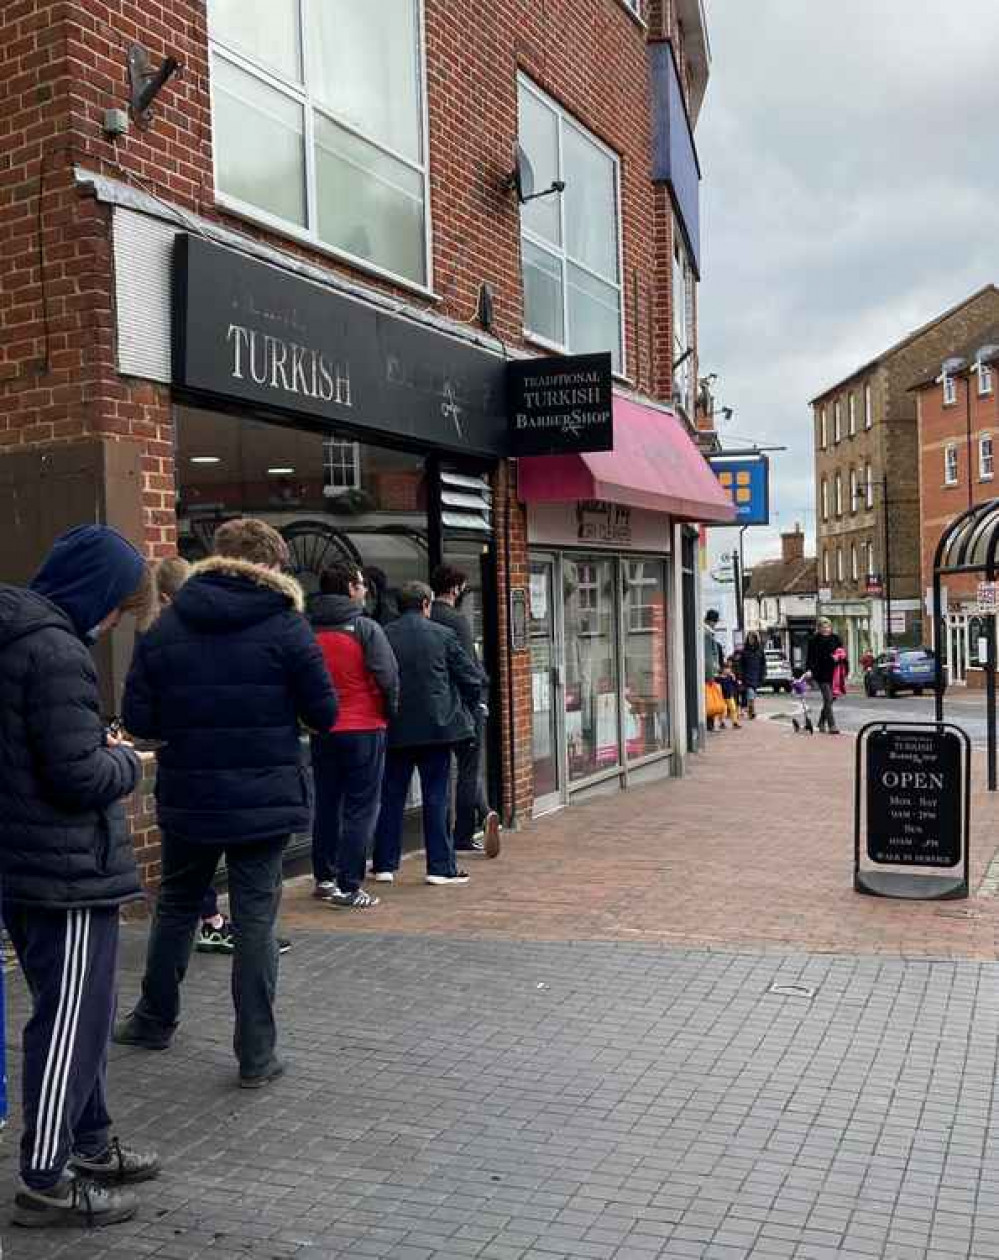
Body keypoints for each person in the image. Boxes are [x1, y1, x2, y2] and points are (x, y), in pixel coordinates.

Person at [115, 519, 338, 1088]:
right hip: (264, 797)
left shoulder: (167, 628)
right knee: (257, 920)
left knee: (176, 907)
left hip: (190, 792)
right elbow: (326, 714)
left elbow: (139, 720)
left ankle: (153, 1019)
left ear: (218, 559)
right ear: (273, 566)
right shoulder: (287, 628)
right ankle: (256, 1055)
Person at [0, 525, 159, 1228]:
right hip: (63, 867)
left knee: (77, 1016)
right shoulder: (58, 651)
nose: (117, 620)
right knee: (70, 1023)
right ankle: (46, 1178)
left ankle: (89, 1142)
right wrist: (127, 762)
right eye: (121, 606)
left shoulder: (15, 634)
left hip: (27, 861)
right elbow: (75, 774)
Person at [146, 557, 292, 956]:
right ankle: (252, 1012)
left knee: (180, 891)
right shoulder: (267, 626)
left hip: (188, 782)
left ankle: (157, 1011)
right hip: (254, 786)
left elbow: (142, 719)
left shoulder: (161, 636)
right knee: (255, 905)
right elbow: (319, 710)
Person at [371, 581, 485, 886]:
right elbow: (470, 678)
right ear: (426, 604)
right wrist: (468, 706)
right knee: (436, 797)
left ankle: (384, 864)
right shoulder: (443, 635)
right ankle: (439, 867)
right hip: (437, 728)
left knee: (392, 796)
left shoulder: (384, 634)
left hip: (395, 728)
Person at [309, 558, 399, 908]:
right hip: (363, 727)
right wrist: (388, 713)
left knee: (327, 804)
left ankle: (324, 878)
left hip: (323, 729)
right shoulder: (365, 628)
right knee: (362, 808)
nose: (364, 591)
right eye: (361, 585)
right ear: (350, 587)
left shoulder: (307, 628)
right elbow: (388, 677)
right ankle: (349, 885)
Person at [430, 564, 500, 858]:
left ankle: (484, 813)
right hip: (463, 708)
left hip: (434, 708)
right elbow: (469, 668)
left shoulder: (426, 616)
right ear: (456, 588)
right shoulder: (457, 621)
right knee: (469, 771)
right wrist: (481, 698)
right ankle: (464, 832)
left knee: (439, 774)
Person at [805, 616, 847, 735]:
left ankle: (821, 721)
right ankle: (832, 725)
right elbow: (810, 657)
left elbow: (842, 654)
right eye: (823, 627)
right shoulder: (814, 640)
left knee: (832, 698)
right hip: (821, 673)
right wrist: (809, 670)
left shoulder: (836, 639)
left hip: (835, 673)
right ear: (819, 628)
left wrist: (840, 660)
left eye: (827, 627)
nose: (826, 629)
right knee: (828, 698)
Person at [737, 630, 767, 720]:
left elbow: (763, 664)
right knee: (750, 692)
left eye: (753, 638)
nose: (751, 640)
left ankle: (750, 709)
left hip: (756, 675)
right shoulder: (744, 651)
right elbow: (741, 664)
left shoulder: (760, 651)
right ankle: (751, 710)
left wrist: (763, 674)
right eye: (750, 638)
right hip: (747, 675)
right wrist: (741, 675)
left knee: (752, 693)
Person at [704, 608, 724, 731]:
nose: (715, 624)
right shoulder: (706, 633)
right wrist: (710, 674)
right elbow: (708, 656)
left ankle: (710, 724)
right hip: (707, 673)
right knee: (708, 698)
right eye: (715, 622)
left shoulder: (707, 632)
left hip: (707, 672)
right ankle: (709, 724)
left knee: (708, 697)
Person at [719, 658, 741, 729]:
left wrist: (735, 679)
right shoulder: (719, 678)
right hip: (722, 697)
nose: (728, 670)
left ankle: (735, 722)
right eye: (726, 669)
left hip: (730, 695)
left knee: (733, 709)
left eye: (729, 669)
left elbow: (736, 685)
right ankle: (722, 722)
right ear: (722, 670)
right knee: (723, 711)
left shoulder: (730, 677)